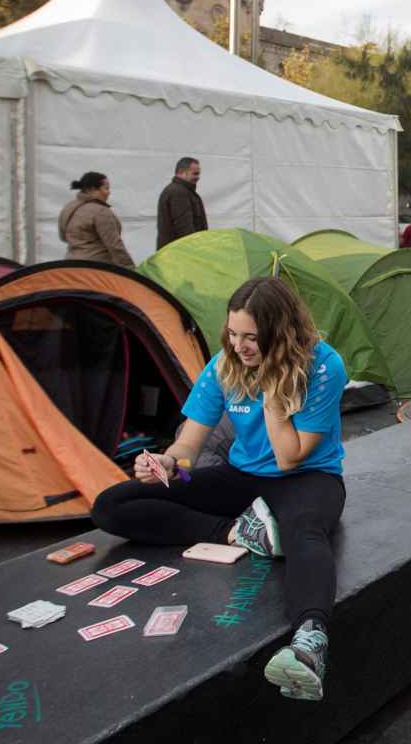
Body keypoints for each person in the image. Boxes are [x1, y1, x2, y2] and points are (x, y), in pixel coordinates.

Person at [91, 277, 346, 702]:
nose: (239, 346)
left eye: (251, 337)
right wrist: (167, 464)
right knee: (111, 505)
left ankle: (309, 642)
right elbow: (189, 445)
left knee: (304, 532)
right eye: (232, 333)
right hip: (241, 478)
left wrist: (273, 394)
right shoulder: (223, 366)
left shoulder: (322, 365)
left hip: (308, 478)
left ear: (280, 333)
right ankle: (237, 532)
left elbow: (290, 457)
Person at [60, 171, 133, 267]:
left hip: (71, 265)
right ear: (92, 189)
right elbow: (115, 246)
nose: (109, 192)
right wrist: (130, 270)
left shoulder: (68, 207)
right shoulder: (101, 212)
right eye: (106, 188)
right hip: (97, 269)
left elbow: (63, 236)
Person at [156, 157, 208, 250]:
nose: (198, 177)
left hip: (176, 252)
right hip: (179, 254)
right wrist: (196, 251)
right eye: (195, 174)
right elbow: (185, 229)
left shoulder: (181, 191)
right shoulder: (179, 193)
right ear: (182, 172)